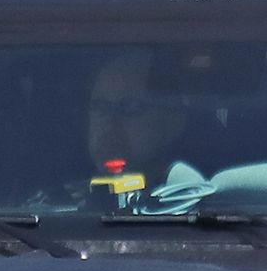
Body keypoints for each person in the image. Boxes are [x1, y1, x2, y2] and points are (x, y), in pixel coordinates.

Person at [84, 50, 197, 185]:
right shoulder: (59, 201)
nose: (110, 123)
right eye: (100, 108)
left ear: (174, 121)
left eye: (131, 108)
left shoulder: (201, 199)